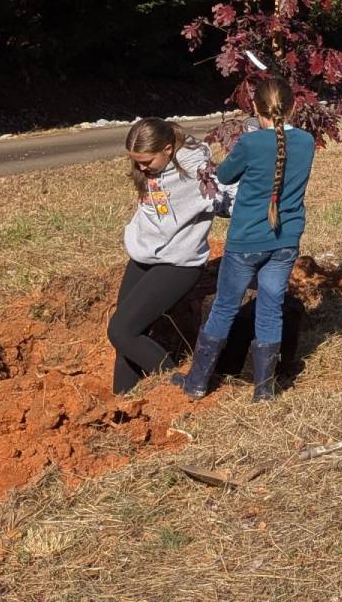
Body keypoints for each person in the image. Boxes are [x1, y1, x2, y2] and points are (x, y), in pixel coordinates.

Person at [174, 78, 316, 402]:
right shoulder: (307, 142)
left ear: (255, 108)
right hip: (285, 240)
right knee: (271, 309)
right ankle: (263, 390)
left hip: (247, 241)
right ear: (294, 107)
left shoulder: (251, 145)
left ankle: (197, 381)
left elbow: (224, 177)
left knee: (224, 307)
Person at [111, 119, 226, 396]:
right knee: (128, 333)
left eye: (146, 161)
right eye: (135, 161)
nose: (140, 168)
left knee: (121, 331)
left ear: (168, 149)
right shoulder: (149, 166)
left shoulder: (198, 171)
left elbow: (227, 199)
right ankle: (123, 400)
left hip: (177, 262)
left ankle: (177, 386)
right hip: (143, 254)